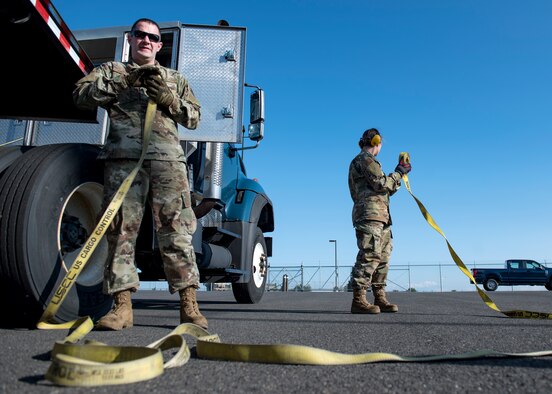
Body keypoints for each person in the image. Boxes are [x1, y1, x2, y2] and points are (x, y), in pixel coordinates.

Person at [73, 18, 207, 330]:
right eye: (140, 35)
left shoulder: (175, 79)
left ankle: (189, 305)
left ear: (160, 45)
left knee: (177, 230)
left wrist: (169, 99)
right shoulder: (112, 71)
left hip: (168, 163)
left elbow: (195, 118)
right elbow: (80, 96)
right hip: (123, 161)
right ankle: (121, 307)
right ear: (131, 39)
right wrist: (123, 82)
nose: (145, 40)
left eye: (152, 37)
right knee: (120, 231)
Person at [348, 128, 411, 314]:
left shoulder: (371, 162)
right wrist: (398, 173)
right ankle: (358, 299)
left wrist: (397, 176)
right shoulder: (364, 160)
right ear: (376, 142)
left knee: (383, 257)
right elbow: (381, 184)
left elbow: (385, 188)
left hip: (381, 216)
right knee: (370, 255)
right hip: (369, 215)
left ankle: (380, 296)